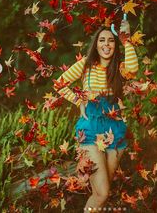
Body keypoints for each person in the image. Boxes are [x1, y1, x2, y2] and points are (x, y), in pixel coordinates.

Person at [56, 20, 138, 211]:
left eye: (111, 40)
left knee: (102, 192)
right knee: (102, 192)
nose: (106, 44)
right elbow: (59, 83)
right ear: (96, 43)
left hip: (115, 129)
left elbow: (134, 70)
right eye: (102, 40)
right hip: (91, 127)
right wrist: (79, 101)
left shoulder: (119, 68)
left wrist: (126, 40)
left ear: (115, 45)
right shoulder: (85, 65)